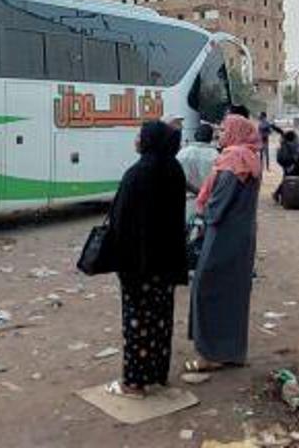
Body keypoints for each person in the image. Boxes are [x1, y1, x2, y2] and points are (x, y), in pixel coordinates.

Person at [105, 121, 188, 397]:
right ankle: (156, 374)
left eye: (139, 135)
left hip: (137, 263)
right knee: (160, 319)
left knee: (137, 321)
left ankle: (134, 382)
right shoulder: (174, 170)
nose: (136, 139)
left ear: (149, 140)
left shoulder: (137, 173)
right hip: (167, 262)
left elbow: (119, 219)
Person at [186, 114, 262, 372]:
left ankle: (210, 354)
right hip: (241, 236)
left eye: (224, 130)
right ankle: (231, 351)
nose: (219, 134)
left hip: (222, 236)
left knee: (209, 289)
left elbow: (218, 204)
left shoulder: (234, 159)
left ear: (235, 132)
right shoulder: (250, 156)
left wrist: (202, 216)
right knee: (234, 295)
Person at [178, 123, 220, 222]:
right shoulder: (217, 157)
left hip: (185, 203)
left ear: (195, 136)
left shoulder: (182, 154)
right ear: (211, 138)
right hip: (208, 204)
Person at [273, 129, 299, 204]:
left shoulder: (284, 142)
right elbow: (295, 155)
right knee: (287, 179)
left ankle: (279, 194)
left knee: (286, 178)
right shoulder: (292, 144)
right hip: (289, 163)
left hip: (283, 162)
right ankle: (278, 194)